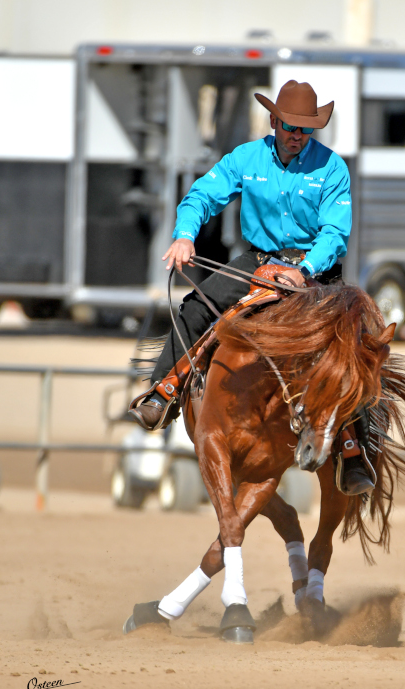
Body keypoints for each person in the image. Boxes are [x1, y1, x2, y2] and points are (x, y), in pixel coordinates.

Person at [129, 79, 374, 495]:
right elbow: (203, 195)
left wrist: (306, 268)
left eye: (306, 129)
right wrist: (185, 234)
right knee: (196, 306)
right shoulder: (246, 157)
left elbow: (334, 232)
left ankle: (354, 451)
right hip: (258, 260)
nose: (298, 135)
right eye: (291, 126)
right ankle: (163, 390)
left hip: (314, 269)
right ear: (274, 120)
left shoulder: (332, 167)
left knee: (351, 345)